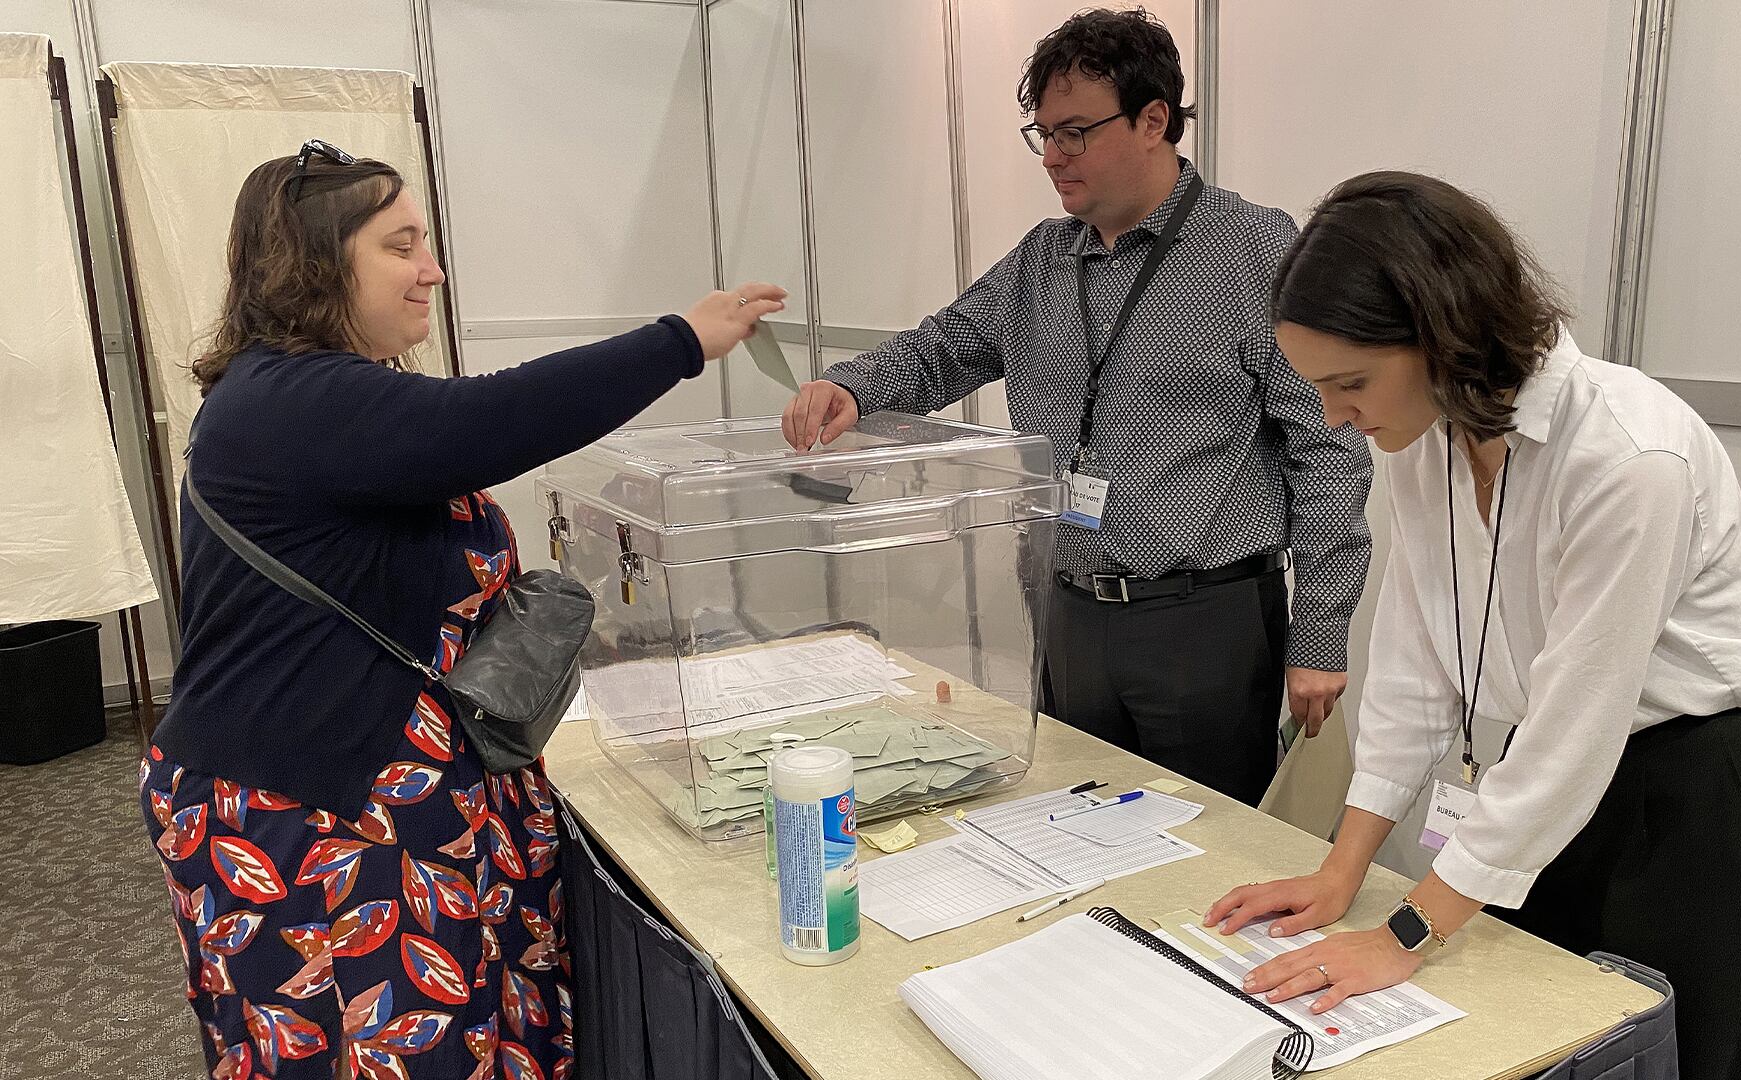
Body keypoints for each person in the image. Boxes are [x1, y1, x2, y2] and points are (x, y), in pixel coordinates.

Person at [139, 140, 784, 1078]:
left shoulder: (327, 394)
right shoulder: (286, 401)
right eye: (400, 245)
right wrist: (681, 340)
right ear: (315, 263)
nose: (432, 270)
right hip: (311, 819)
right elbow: (490, 421)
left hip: (390, 797)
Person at [1205, 171, 1741, 1080]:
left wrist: (1404, 932)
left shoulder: (1627, 456)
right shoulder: (1428, 439)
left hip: (1695, 810)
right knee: (1535, 1049)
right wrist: (1341, 869)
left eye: (1352, 383)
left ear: (1441, 332)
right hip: (1551, 797)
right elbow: (1414, 669)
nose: (1335, 416)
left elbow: (1575, 730)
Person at [779, 9, 1372, 805]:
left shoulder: (1253, 251)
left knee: (1210, 847)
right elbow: (942, 347)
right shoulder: (1043, 259)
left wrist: (1321, 631)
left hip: (1203, 626)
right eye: (1043, 134)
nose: (1052, 157)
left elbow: (1328, 449)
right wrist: (852, 387)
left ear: (1153, 121)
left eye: (1074, 133)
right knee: (1078, 828)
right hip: (1066, 616)